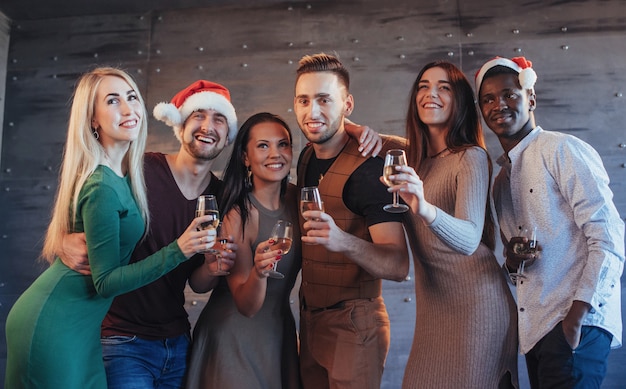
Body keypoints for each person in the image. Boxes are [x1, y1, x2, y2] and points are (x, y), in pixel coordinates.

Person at [4, 68, 216, 389]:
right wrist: (180, 249)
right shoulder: (102, 183)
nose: (129, 109)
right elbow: (105, 283)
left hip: (81, 325)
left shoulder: (124, 175)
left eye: (132, 97)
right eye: (113, 101)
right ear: (93, 119)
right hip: (57, 321)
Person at [59, 79, 240, 388]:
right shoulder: (139, 169)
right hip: (121, 340)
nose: (207, 126)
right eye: (198, 115)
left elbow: (196, 282)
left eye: (219, 118)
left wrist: (211, 269)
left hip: (177, 341)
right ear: (180, 122)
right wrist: (64, 240)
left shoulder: (222, 197)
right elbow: (83, 207)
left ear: (228, 136)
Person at [475, 56, 624, 388]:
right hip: (536, 332)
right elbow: (518, 273)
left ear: (530, 98)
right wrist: (513, 261)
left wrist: (576, 318)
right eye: (488, 98)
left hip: (573, 326)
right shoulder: (500, 181)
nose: (499, 104)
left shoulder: (563, 150)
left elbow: (609, 236)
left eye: (509, 94)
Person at [385, 60, 519, 388]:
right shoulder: (412, 159)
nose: (431, 94)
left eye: (443, 87)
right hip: (434, 311)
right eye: (423, 86)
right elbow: (375, 139)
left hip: (478, 307)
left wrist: (422, 206)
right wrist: (355, 129)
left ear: (458, 100)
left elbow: (470, 238)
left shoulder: (469, 157)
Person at [293, 52, 409, 389]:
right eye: (303, 99)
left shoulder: (371, 169)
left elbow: (398, 265)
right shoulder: (305, 157)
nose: (311, 111)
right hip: (309, 321)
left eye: (324, 99)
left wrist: (341, 240)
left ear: (348, 104)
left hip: (355, 325)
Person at [186, 112, 302, 389]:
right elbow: (246, 305)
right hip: (233, 340)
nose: (275, 153)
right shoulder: (239, 214)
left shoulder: (300, 200)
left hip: (278, 336)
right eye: (263, 146)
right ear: (245, 158)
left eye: (283, 144)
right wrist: (260, 273)